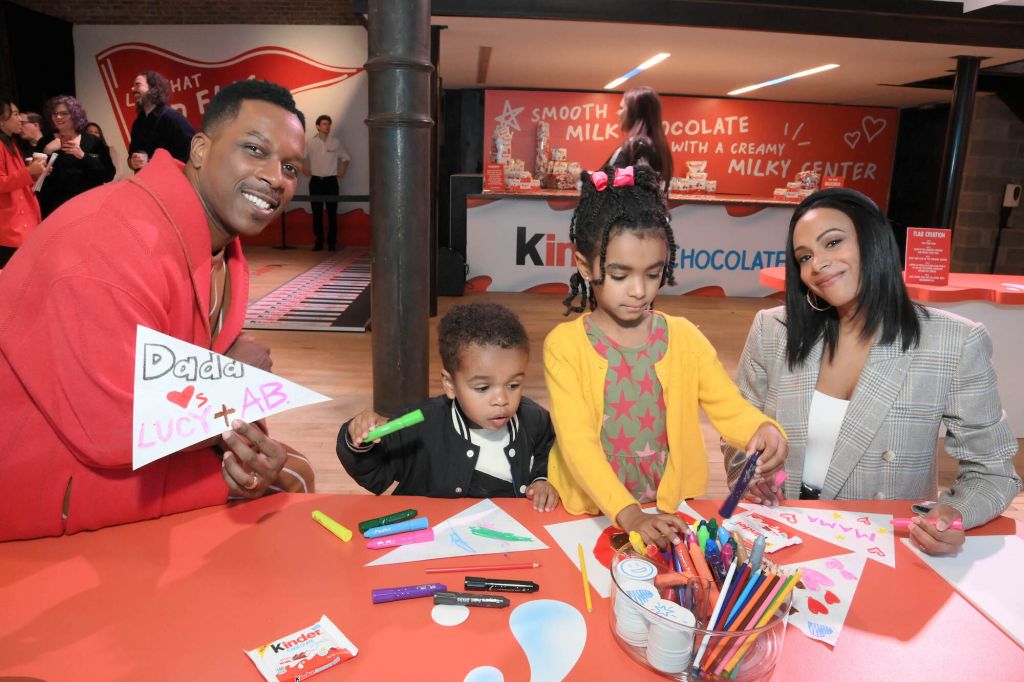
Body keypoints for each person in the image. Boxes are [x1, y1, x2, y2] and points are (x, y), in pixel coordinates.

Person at [0, 80, 312, 541]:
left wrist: (245, 447)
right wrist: (236, 386)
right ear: (201, 150)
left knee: (284, 470)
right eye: (254, 150)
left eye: (289, 166)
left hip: (106, 460)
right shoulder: (106, 238)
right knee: (293, 481)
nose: (275, 177)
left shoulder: (217, 247)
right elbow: (111, 432)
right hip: (36, 481)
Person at [725, 187, 1021, 556]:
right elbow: (736, 431)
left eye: (832, 242)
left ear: (873, 240)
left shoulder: (953, 341)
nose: (817, 264)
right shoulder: (773, 330)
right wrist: (751, 479)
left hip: (888, 547)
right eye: (804, 256)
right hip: (783, 532)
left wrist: (954, 514)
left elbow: (992, 471)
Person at [544, 162, 786, 548]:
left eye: (653, 274)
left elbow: (728, 405)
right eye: (621, 275)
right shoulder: (565, 345)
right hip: (592, 509)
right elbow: (577, 442)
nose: (639, 290)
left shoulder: (684, 337)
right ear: (584, 266)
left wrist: (761, 429)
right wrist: (629, 514)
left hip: (668, 507)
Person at [337, 302, 560, 511]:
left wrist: (542, 479)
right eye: (483, 388)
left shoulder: (534, 419)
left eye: (513, 384)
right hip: (431, 542)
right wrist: (357, 437)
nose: (502, 399)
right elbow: (374, 473)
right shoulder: (421, 424)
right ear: (450, 384)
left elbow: (551, 449)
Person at [36, 95, 115, 217]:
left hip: (88, 208)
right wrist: (46, 151)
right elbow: (35, 179)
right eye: (54, 113)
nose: (58, 117)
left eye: (63, 113)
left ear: (75, 115)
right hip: (55, 210)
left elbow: (109, 175)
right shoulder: (44, 142)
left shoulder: (93, 142)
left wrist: (83, 156)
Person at [0, 99, 45, 268]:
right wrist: (29, 171)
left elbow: (18, 179)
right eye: (16, 114)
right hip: (10, 228)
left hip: (20, 224)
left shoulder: (10, 143)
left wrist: (35, 173)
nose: (20, 119)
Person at [607, 86, 673, 190]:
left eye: (621, 108)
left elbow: (611, 189)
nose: (618, 113)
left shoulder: (632, 148)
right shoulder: (660, 149)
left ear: (634, 112)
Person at [127, 71, 196, 170]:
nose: (132, 89)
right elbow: (131, 157)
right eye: (133, 86)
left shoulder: (172, 118)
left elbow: (194, 149)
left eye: (138, 85)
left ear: (153, 88)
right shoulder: (137, 125)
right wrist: (132, 162)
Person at [303, 114, 350, 251]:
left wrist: (343, 170)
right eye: (324, 124)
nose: (327, 126)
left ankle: (332, 243)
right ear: (318, 126)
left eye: (329, 124)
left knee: (332, 213)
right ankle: (318, 242)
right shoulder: (310, 143)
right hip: (316, 181)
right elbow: (299, 157)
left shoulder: (335, 142)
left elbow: (346, 158)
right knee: (316, 213)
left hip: (331, 181)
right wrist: (303, 168)